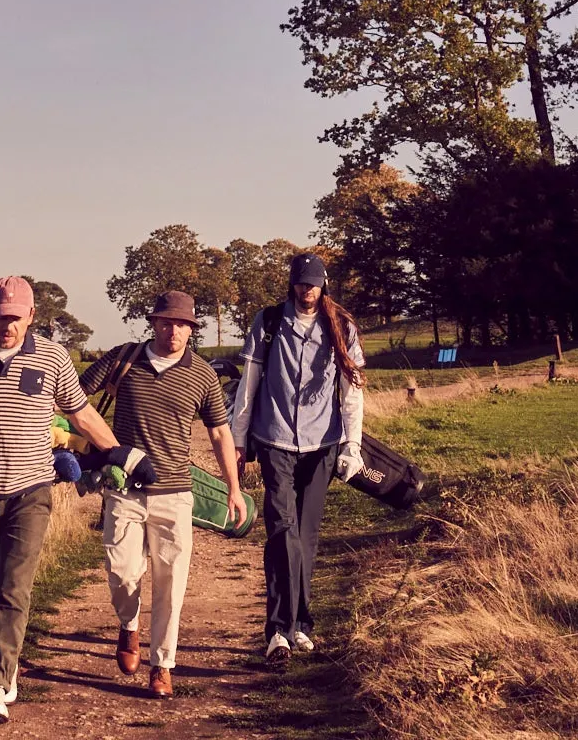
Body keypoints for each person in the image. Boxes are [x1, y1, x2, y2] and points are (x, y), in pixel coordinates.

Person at [0, 275, 120, 727]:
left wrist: (119, 454)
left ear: (32, 316)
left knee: (14, 588)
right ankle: (7, 660)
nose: (9, 326)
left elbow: (81, 413)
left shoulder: (54, 358)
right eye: (2, 317)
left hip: (29, 493)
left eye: (17, 318)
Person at [79, 290, 246, 699]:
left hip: (175, 493)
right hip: (124, 489)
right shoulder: (125, 358)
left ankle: (162, 665)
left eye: (183, 325)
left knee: (171, 582)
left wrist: (234, 489)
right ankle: (129, 626)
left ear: (192, 329)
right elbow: (74, 398)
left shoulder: (203, 374)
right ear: (153, 323)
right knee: (121, 571)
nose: (175, 331)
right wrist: (94, 447)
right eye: (167, 322)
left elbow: (221, 433)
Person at [227, 253, 365, 666]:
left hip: (322, 444)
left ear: (324, 284)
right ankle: (278, 632)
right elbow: (248, 387)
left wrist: (351, 446)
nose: (307, 290)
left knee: (305, 536)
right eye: (301, 283)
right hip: (274, 441)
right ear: (292, 284)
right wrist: (238, 441)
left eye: (314, 283)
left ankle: (302, 624)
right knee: (282, 531)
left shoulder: (341, 326)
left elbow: (352, 391)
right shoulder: (268, 323)